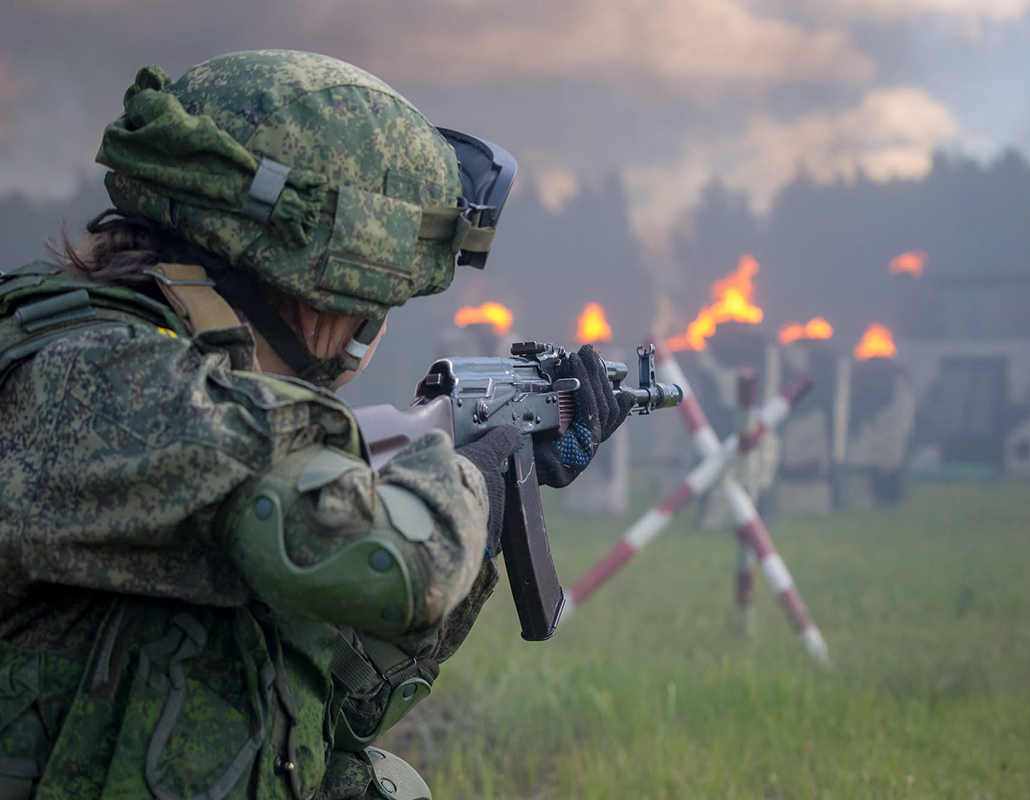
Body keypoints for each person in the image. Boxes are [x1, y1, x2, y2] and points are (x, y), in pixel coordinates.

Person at [0, 50, 631, 800]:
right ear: (318, 295)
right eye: (380, 303)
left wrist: (494, 509)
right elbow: (403, 567)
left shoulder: (157, 377)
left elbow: (329, 708)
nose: (377, 330)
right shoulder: (104, 378)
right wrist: (468, 477)